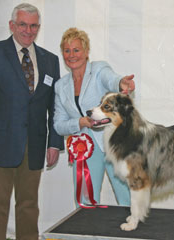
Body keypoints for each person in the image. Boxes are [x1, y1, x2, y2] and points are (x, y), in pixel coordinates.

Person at [0, 3, 64, 240]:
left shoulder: (50, 60)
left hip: (35, 145)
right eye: (22, 24)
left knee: (29, 205)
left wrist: (54, 143)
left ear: (38, 28)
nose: (28, 30)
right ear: (12, 25)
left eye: (33, 26)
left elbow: (56, 106)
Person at [54, 27, 135, 207]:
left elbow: (112, 79)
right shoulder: (60, 86)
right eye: (67, 51)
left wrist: (122, 82)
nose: (71, 55)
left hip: (113, 143)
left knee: (126, 197)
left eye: (76, 50)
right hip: (84, 148)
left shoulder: (99, 69)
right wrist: (79, 122)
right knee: (85, 201)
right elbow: (59, 125)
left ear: (86, 51)